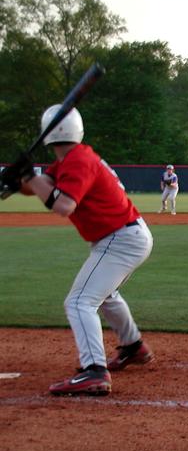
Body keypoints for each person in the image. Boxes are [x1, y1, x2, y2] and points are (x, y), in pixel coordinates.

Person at [17, 105, 155, 396]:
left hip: (120, 238)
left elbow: (63, 204)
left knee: (79, 301)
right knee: (104, 295)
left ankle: (94, 371)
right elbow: (44, 185)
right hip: (125, 235)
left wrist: (29, 179)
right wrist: (20, 181)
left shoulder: (77, 161)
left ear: (47, 134)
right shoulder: (75, 157)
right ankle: (133, 346)